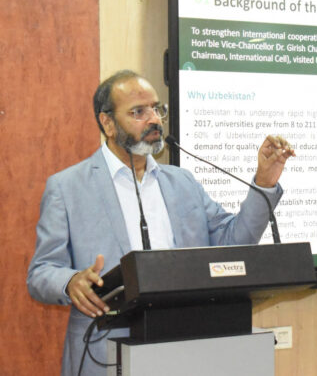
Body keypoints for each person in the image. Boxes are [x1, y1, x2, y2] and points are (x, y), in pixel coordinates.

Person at [26, 70, 296, 376]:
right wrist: (70, 281)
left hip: (187, 346)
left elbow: (234, 244)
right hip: (105, 349)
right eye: (138, 112)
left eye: (157, 109)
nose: (154, 119)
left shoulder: (182, 182)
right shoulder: (67, 187)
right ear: (108, 123)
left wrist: (264, 182)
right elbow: (41, 272)